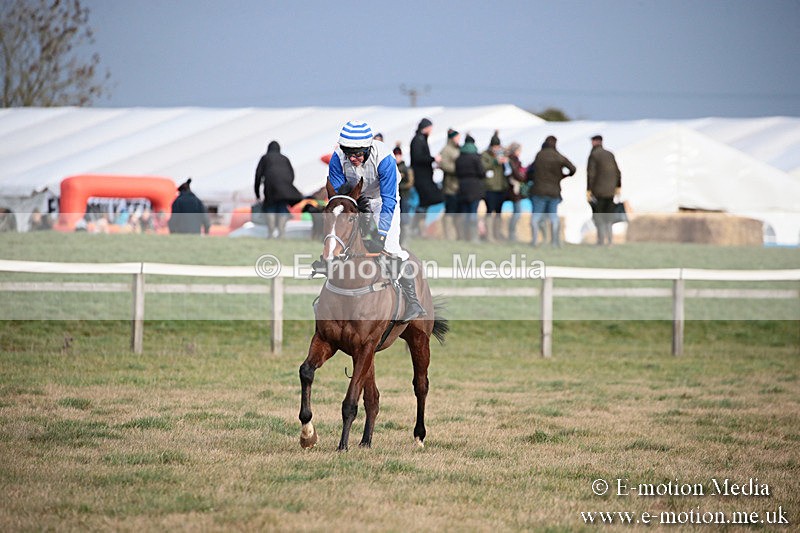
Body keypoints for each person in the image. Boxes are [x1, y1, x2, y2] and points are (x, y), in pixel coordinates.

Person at [327, 120, 426, 321]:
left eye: (358, 154)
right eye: (348, 153)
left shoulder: (385, 159)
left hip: (383, 200)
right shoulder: (337, 159)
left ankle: (413, 301)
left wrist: (380, 233)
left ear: (368, 148)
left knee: (390, 246)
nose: (353, 158)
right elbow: (339, 197)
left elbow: (389, 200)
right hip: (356, 202)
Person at [528, 136, 576, 247]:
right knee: (553, 217)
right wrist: (563, 175)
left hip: (539, 191)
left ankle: (535, 240)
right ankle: (554, 242)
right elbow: (573, 169)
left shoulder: (539, 155)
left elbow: (531, 170)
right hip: (554, 191)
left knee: (536, 217)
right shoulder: (558, 156)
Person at [254, 140, 303, 238]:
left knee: (270, 207)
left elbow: (258, 175)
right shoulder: (285, 159)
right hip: (285, 189)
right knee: (282, 207)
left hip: (270, 188)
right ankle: (281, 232)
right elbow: (292, 174)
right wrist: (286, 185)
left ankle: (271, 232)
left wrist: (257, 193)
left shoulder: (265, 158)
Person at [587, 135, 622, 246]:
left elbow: (591, 174)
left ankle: (601, 241)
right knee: (609, 217)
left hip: (598, 192)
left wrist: (589, 190)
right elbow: (617, 172)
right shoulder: (610, 154)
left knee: (599, 217)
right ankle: (610, 241)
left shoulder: (594, 155)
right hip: (611, 192)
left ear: (595, 142)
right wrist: (618, 186)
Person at [409, 118, 442, 236]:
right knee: (432, 198)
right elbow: (418, 158)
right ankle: (416, 225)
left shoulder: (421, 139)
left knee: (425, 202)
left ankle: (417, 226)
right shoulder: (418, 140)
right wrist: (433, 159)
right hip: (422, 178)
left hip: (425, 176)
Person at [455, 134, 485, 243]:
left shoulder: (459, 158)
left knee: (464, 213)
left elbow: (457, 172)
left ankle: (463, 236)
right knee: (473, 212)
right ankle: (473, 237)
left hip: (462, 187)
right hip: (474, 188)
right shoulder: (476, 157)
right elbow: (482, 172)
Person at [480, 130, 508, 242]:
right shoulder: (484, 155)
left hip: (500, 188)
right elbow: (483, 168)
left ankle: (497, 234)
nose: (497, 148)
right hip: (489, 188)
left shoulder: (502, 154)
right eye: (495, 146)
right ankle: (489, 235)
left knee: (498, 213)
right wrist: (495, 162)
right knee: (489, 211)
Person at [438, 128, 461, 240]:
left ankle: (456, 235)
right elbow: (444, 165)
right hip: (450, 186)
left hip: (458, 186)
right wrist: (459, 168)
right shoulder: (446, 150)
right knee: (450, 211)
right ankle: (448, 235)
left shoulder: (457, 149)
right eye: (457, 137)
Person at [394, 143, 415, 246]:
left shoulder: (406, 169)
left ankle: (404, 243)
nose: (397, 157)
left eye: (398, 155)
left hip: (404, 197)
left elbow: (410, 183)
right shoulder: (392, 167)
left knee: (404, 220)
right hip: (395, 198)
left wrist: (399, 187)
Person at [505, 142, 527, 242]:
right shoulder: (511, 161)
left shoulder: (514, 161)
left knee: (517, 213)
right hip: (513, 190)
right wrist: (522, 176)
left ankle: (512, 233)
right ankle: (512, 233)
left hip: (514, 190)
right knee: (517, 213)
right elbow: (516, 174)